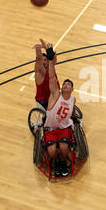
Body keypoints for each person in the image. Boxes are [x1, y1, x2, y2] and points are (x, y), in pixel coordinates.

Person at [42, 42, 77, 177]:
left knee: (64, 148)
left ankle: (62, 162)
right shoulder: (56, 94)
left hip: (63, 128)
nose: (66, 85)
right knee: (51, 151)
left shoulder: (73, 100)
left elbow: (72, 111)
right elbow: (51, 77)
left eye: (69, 84)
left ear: (72, 89)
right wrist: (51, 59)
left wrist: (75, 118)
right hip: (51, 128)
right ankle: (55, 162)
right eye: (64, 83)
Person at [32, 39, 60, 110]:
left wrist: (49, 49)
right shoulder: (40, 73)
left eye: (46, 59)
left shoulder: (51, 67)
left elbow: (54, 59)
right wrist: (38, 52)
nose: (46, 61)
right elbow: (38, 59)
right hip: (44, 101)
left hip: (54, 96)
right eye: (44, 60)